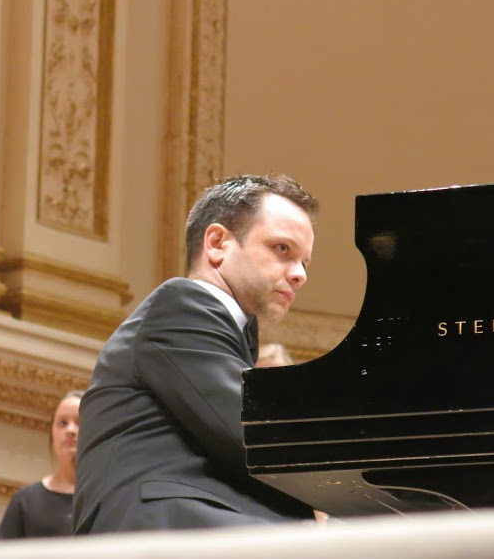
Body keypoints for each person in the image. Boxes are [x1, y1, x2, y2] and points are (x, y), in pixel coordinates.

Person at [74, 174, 318, 532]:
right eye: (282, 249)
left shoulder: (229, 335)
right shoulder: (180, 305)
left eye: (305, 263)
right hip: (161, 531)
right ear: (217, 243)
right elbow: (253, 429)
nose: (299, 275)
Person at [0, 390, 83, 538]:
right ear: (52, 433)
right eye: (62, 423)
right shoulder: (25, 501)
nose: (70, 430)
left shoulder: (110, 500)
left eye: (80, 422)